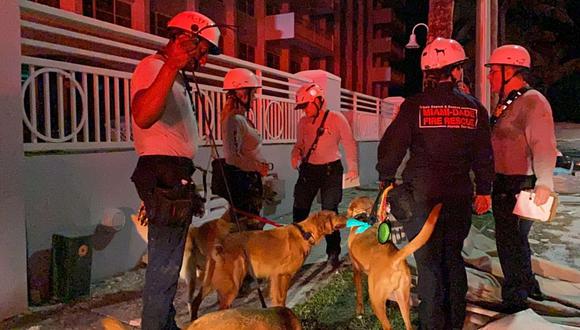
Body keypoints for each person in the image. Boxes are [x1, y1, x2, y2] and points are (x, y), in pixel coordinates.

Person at [376, 38, 494, 330]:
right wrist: (484, 190)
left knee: (427, 263)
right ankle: (455, 322)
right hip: (458, 198)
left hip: (421, 198)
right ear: (454, 71)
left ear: (429, 72)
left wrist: (386, 178)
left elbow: (391, 148)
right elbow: (484, 155)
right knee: (452, 258)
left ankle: (432, 324)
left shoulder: (414, 105)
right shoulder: (475, 108)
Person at [129, 11, 221, 330]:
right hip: (164, 173)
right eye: (203, 50)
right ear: (186, 38)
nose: (205, 62)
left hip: (170, 176)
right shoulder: (153, 67)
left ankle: (165, 324)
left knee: (167, 264)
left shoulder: (173, 75)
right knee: (165, 269)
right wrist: (170, 65)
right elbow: (142, 115)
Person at [486, 44, 557, 313]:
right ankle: (528, 284)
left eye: (494, 71)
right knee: (515, 241)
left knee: (510, 242)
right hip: (503, 181)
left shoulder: (532, 101)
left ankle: (515, 299)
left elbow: (544, 144)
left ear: (510, 70)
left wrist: (544, 182)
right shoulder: (507, 103)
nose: (490, 76)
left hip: (520, 184)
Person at [291, 82, 358, 267]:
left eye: (306, 105)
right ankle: (296, 249)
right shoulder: (303, 123)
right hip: (309, 170)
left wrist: (353, 166)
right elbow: (299, 145)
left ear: (318, 101)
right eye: (302, 107)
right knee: (300, 209)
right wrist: (295, 154)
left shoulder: (336, 118)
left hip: (331, 170)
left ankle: (333, 252)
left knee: (330, 211)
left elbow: (349, 142)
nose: (304, 110)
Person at [221, 67, 269, 228]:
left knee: (254, 229)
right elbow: (231, 157)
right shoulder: (233, 120)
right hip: (244, 187)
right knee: (248, 233)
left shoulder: (241, 119)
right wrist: (257, 166)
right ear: (242, 93)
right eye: (252, 93)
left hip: (251, 183)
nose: (254, 98)